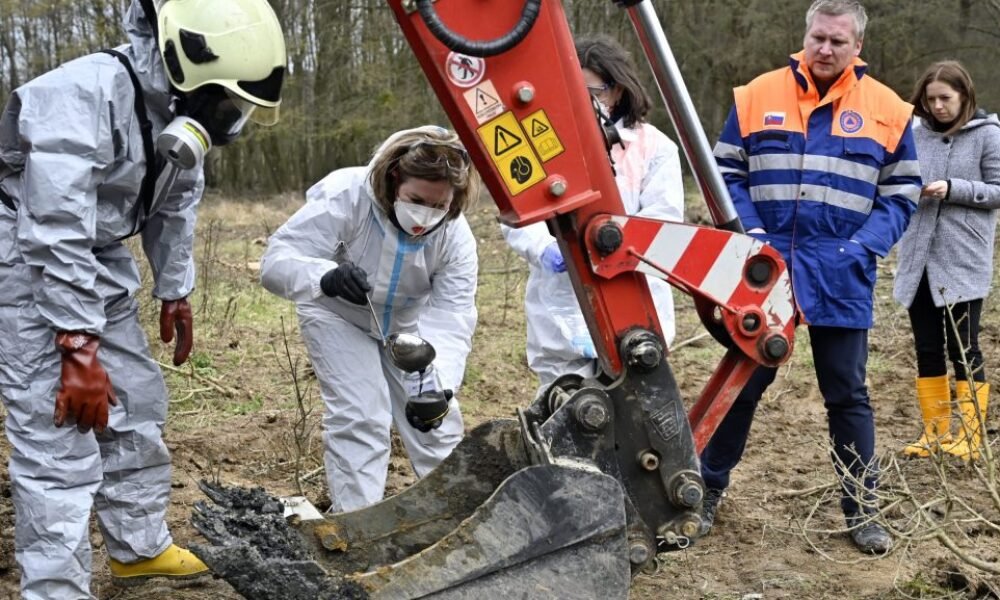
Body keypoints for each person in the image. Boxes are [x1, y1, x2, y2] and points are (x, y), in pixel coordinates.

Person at [0, 0, 286, 596]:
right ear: (184, 69)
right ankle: (54, 588)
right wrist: (77, 346)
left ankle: (138, 548)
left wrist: (174, 288)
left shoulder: (176, 117)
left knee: (133, 400)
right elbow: (54, 231)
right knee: (60, 428)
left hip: (96, 251)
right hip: (26, 253)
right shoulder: (78, 97)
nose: (230, 120)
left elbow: (176, 201)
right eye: (225, 102)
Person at [703, 0, 921, 554]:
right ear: (806, 35)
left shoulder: (890, 110)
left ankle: (862, 509)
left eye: (837, 42)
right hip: (764, 266)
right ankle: (701, 493)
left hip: (840, 267)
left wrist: (862, 247)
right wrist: (751, 235)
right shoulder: (755, 95)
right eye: (818, 38)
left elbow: (902, 193)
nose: (825, 50)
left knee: (847, 393)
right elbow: (725, 171)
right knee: (743, 386)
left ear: (858, 48)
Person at [260, 125, 480, 513]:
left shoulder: (454, 237)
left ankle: (459, 517)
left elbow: (451, 313)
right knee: (363, 416)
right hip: (337, 314)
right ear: (394, 177)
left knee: (436, 421)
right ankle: (357, 523)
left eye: (438, 207)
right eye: (416, 200)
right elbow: (276, 262)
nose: (423, 218)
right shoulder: (346, 196)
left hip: (407, 327)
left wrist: (439, 383)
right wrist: (324, 277)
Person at [502, 34, 685, 388]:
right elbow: (517, 216)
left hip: (632, 301)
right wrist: (545, 248)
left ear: (617, 90)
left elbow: (662, 221)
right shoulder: (535, 143)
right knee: (564, 408)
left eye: (594, 93)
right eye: (570, 92)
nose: (583, 104)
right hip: (560, 305)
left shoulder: (655, 148)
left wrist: (609, 248)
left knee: (636, 409)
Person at [894, 61, 1000, 461]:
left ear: (964, 96)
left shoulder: (989, 135)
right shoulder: (913, 136)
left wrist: (954, 188)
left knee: (964, 347)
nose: (937, 106)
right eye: (930, 99)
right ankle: (935, 431)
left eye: (945, 98)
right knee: (926, 348)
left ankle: (971, 437)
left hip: (962, 257)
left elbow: (998, 189)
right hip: (918, 255)